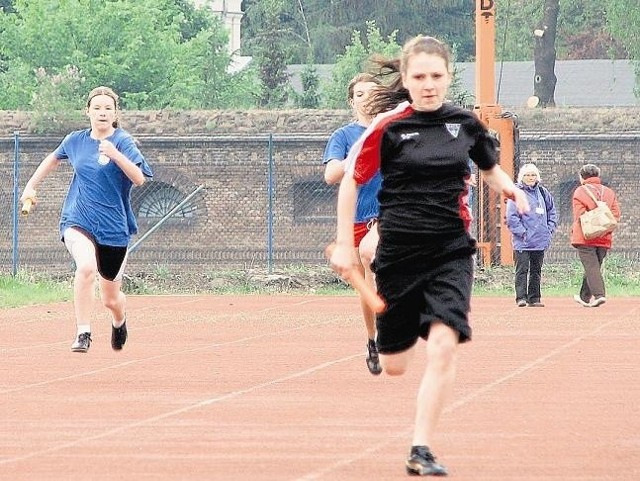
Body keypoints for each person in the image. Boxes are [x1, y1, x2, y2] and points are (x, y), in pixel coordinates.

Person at [329, 35, 529, 476]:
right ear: (405, 79)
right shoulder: (386, 127)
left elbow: (490, 168)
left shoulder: (465, 124)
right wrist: (346, 243)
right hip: (399, 252)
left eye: (437, 76)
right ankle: (406, 322)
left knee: (443, 346)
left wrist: (512, 189)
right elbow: (350, 182)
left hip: (450, 250)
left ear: (448, 77)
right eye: (419, 77)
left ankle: (421, 448)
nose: (428, 85)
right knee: (396, 365)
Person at [20, 86, 153, 353]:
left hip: (114, 227)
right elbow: (52, 159)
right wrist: (30, 186)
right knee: (86, 267)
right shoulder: (75, 140)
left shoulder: (123, 141)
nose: (102, 113)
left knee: (110, 298)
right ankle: (83, 332)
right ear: (88, 112)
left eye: (107, 108)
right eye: (97, 108)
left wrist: (115, 155)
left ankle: (119, 319)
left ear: (115, 113)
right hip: (78, 220)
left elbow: (139, 179)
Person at [323, 73, 383, 376]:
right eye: (360, 94)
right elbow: (331, 174)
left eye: (372, 93)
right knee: (366, 287)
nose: (366, 99)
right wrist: (358, 156)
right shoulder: (345, 137)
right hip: (356, 219)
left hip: (388, 215)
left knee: (373, 255)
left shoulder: (391, 131)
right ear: (352, 101)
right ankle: (373, 339)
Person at [505, 163, 557, 307]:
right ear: (522, 177)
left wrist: (549, 228)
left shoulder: (543, 192)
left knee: (536, 270)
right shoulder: (516, 193)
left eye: (533, 175)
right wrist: (523, 233)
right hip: (523, 240)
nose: (530, 177)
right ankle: (521, 297)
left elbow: (552, 211)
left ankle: (535, 298)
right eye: (527, 175)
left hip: (540, 239)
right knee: (522, 269)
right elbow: (511, 217)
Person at [571, 163, 620, 307]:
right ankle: (584, 297)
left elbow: (579, 214)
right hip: (604, 236)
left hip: (586, 236)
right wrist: (605, 227)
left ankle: (599, 295)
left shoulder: (580, 191)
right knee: (594, 266)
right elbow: (615, 214)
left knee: (591, 267)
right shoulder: (609, 192)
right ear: (597, 175)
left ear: (582, 177)